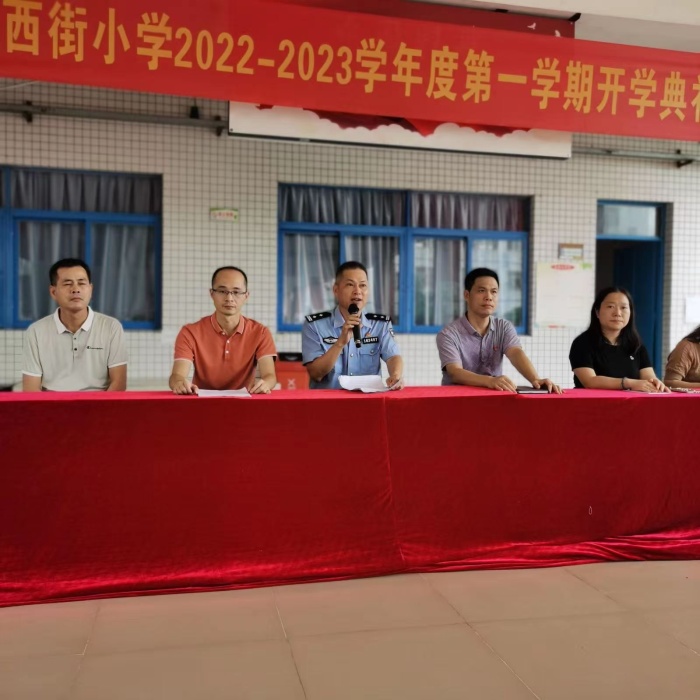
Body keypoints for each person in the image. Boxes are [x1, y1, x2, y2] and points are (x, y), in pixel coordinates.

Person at [437, 267, 561, 393]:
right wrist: (490, 381)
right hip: (458, 399)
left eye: (494, 292)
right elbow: (455, 372)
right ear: (467, 295)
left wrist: (535, 379)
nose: (489, 297)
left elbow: (515, 353)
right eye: (481, 290)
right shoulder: (448, 334)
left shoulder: (504, 327)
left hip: (492, 398)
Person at [22, 258, 127, 391]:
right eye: (67, 284)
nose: (75, 289)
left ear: (90, 289)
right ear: (53, 292)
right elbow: (31, 389)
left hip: (98, 402)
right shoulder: (36, 331)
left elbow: (118, 384)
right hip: (52, 403)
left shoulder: (111, 327)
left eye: (81, 283)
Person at [170, 266, 277, 394]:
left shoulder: (260, 332)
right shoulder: (190, 332)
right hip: (202, 402)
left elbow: (270, 376)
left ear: (246, 296)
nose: (229, 298)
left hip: (245, 401)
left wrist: (266, 383)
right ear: (212, 294)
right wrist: (179, 383)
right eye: (222, 291)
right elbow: (177, 375)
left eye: (236, 292)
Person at [302, 261, 404, 390]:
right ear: (336, 290)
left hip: (367, 400)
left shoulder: (380, 325)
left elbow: (393, 356)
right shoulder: (314, 325)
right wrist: (340, 343)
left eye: (363, 285)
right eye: (350, 285)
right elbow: (316, 374)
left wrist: (395, 375)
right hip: (329, 400)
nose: (357, 291)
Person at [569, 286, 668, 392]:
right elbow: (590, 381)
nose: (617, 313)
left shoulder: (636, 345)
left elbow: (648, 376)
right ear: (597, 312)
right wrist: (628, 383)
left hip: (631, 402)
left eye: (623, 308)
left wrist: (654, 383)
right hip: (594, 402)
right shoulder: (582, 343)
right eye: (610, 307)